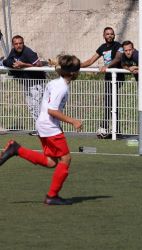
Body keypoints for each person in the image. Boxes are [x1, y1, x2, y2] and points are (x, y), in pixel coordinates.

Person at [0, 54, 83, 205]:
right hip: (49, 126)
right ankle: (52, 196)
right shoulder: (62, 88)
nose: (79, 72)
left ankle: (16, 149)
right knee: (66, 159)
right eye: (78, 70)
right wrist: (73, 121)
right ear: (72, 73)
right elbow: (52, 110)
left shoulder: (55, 83)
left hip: (44, 124)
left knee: (51, 162)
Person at [80, 27, 125, 138]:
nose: (109, 36)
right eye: (107, 34)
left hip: (117, 78)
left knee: (112, 103)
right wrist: (77, 65)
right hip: (108, 78)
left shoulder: (118, 46)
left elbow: (118, 58)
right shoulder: (102, 47)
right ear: (104, 36)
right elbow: (90, 61)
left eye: (111, 34)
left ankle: (113, 130)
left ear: (114, 35)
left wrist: (107, 66)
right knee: (109, 103)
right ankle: (110, 129)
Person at [2, 35, 46, 136]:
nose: (18, 45)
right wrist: (11, 63)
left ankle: (42, 129)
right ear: (13, 45)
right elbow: (8, 61)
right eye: (16, 44)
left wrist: (24, 65)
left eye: (20, 43)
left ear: (23, 43)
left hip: (36, 82)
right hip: (26, 82)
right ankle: (39, 128)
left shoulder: (28, 52)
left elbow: (39, 64)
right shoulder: (13, 51)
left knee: (37, 106)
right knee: (31, 106)